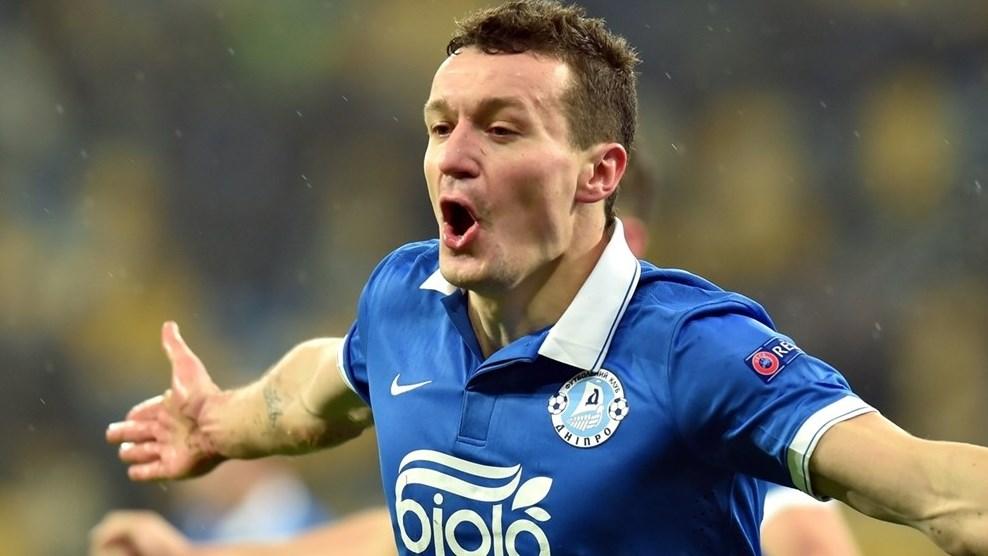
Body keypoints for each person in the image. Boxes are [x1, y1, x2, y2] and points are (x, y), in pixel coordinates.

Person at [102, 1, 988, 554]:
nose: (454, 156)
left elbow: (937, 493)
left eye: (501, 129)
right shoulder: (405, 301)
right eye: (440, 126)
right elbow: (322, 389)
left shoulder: (692, 353)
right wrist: (223, 422)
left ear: (598, 174)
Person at [90, 152, 861, 556]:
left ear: (623, 243)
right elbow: (393, 538)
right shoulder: (469, 392)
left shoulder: (701, 408)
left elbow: (808, 528)